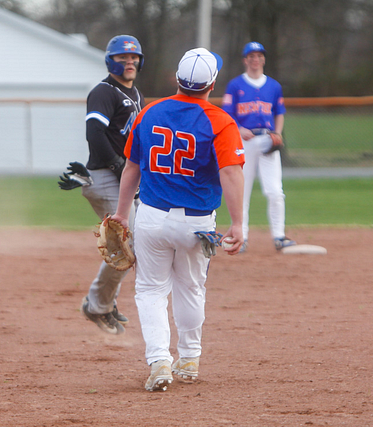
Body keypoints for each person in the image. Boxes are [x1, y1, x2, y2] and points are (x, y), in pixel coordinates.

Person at [111, 48, 245, 392]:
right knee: (191, 288)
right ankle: (188, 359)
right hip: (196, 224)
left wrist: (121, 214)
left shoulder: (150, 112)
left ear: (177, 78)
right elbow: (231, 172)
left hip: (151, 218)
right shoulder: (220, 121)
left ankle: (159, 361)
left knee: (150, 290)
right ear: (212, 84)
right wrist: (238, 223)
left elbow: (131, 167)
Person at [73, 35, 146, 335]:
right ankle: (98, 305)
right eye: (122, 57)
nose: (129, 61)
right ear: (109, 61)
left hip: (122, 178)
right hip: (106, 176)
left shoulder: (134, 93)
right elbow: (95, 133)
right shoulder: (103, 91)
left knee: (129, 244)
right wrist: (118, 167)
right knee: (129, 243)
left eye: (134, 57)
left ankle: (103, 302)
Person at [221, 41, 296, 252]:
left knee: (275, 191)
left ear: (263, 59)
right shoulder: (235, 85)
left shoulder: (274, 86)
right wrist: (238, 129)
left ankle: (279, 236)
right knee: (242, 190)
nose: (255, 59)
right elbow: (227, 114)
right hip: (244, 142)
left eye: (259, 56)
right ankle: (241, 237)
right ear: (245, 60)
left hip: (267, 140)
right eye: (251, 56)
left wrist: (278, 133)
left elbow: (279, 112)